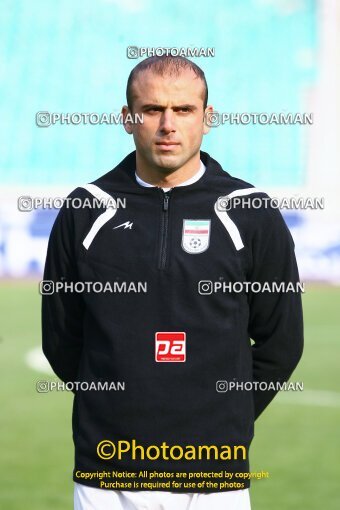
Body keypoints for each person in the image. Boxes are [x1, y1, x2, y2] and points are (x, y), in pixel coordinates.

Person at [42, 55, 304, 510]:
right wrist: (117, 411)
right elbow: (61, 340)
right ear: (128, 119)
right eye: (151, 110)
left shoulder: (250, 211)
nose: (168, 125)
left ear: (207, 118)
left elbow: (283, 343)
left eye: (183, 110)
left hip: (213, 476)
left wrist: (222, 419)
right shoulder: (87, 209)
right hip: (109, 475)